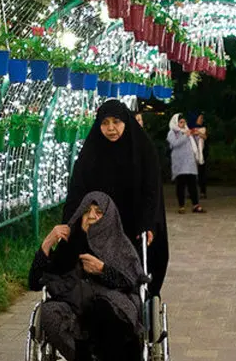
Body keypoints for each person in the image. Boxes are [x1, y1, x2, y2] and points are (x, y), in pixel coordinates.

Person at [30, 192, 147, 361]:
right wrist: (48, 242)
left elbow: (133, 283)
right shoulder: (69, 243)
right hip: (74, 302)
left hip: (113, 303)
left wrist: (103, 270)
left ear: (109, 217)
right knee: (49, 312)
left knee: (98, 310)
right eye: (87, 210)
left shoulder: (118, 244)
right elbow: (35, 282)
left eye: (98, 212)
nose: (91, 216)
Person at [63, 99, 169, 296]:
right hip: (100, 227)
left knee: (137, 266)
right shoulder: (91, 153)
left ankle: (138, 300)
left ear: (126, 122)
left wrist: (148, 224)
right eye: (105, 123)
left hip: (134, 225)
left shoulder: (143, 151)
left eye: (116, 122)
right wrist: (69, 224)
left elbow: (151, 192)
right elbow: (77, 191)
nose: (111, 128)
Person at [167, 114, 205, 214]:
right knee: (181, 185)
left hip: (190, 162)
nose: (183, 124)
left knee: (192, 184)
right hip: (179, 163)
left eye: (184, 122)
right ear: (176, 122)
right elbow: (175, 143)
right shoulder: (172, 132)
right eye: (181, 122)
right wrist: (186, 135)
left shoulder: (187, 131)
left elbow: (195, 143)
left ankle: (196, 205)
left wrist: (198, 135)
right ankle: (181, 206)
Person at [187, 112, 208, 198]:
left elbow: (205, 137)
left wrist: (198, 133)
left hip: (201, 155)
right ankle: (191, 192)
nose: (201, 120)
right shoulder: (188, 128)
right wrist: (192, 132)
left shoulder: (203, 128)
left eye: (202, 118)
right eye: (200, 118)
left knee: (201, 174)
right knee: (191, 175)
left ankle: (203, 191)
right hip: (190, 155)